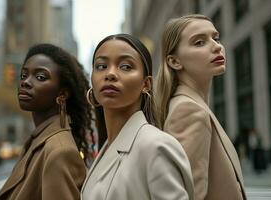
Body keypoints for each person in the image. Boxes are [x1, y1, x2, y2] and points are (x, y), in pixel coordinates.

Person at [81, 33, 194, 200]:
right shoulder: (106, 148)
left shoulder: (156, 146)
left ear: (146, 84)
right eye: (101, 66)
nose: (110, 74)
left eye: (126, 66)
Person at [155, 14, 246, 200]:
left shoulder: (193, 104)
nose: (217, 46)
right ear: (174, 61)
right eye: (199, 42)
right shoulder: (189, 110)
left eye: (216, 37)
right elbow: (185, 194)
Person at [0, 43, 92, 200]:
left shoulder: (59, 152)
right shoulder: (38, 142)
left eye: (40, 77)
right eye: (23, 75)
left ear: (63, 93)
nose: (25, 82)